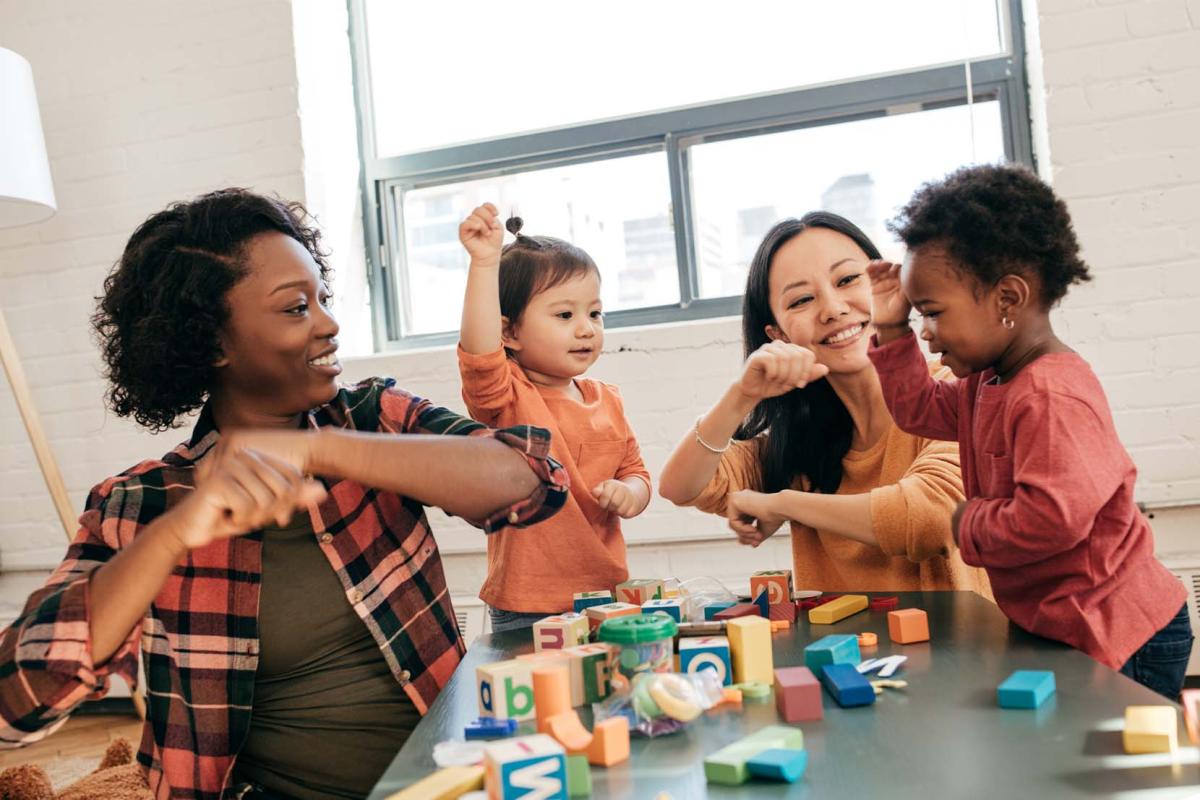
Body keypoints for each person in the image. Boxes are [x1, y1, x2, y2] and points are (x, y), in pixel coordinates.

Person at [0, 188, 568, 800]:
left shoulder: (372, 419)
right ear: (212, 341)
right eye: (297, 308)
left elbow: (535, 482)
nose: (328, 323)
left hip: (455, 780)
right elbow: (17, 705)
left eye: (322, 297)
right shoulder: (141, 502)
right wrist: (171, 536)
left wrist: (318, 450)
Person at [868, 163, 1192, 700]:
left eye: (932, 313)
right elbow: (920, 408)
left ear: (1007, 300)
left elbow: (1050, 520)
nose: (926, 331)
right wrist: (890, 326)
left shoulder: (1049, 395)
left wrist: (964, 519)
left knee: (1111, 773)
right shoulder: (988, 380)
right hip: (1066, 624)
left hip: (1117, 632)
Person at [660, 212, 988, 596]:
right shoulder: (798, 441)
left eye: (848, 279)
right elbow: (680, 487)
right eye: (801, 299)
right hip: (840, 658)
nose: (832, 309)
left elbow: (933, 517)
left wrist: (783, 504)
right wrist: (741, 395)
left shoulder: (955, 392)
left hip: (962, 654)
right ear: (778, 334)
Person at [457, 204, 650, 631]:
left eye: (594, 313)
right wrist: (484, 264)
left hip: (606, 596)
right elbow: (479, 353)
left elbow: (636, 472)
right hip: (528, 606)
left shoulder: (608, 400)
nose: (586, 328)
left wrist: (630, 493)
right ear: (509, 333)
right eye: (565, 315)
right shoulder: (506, 397)